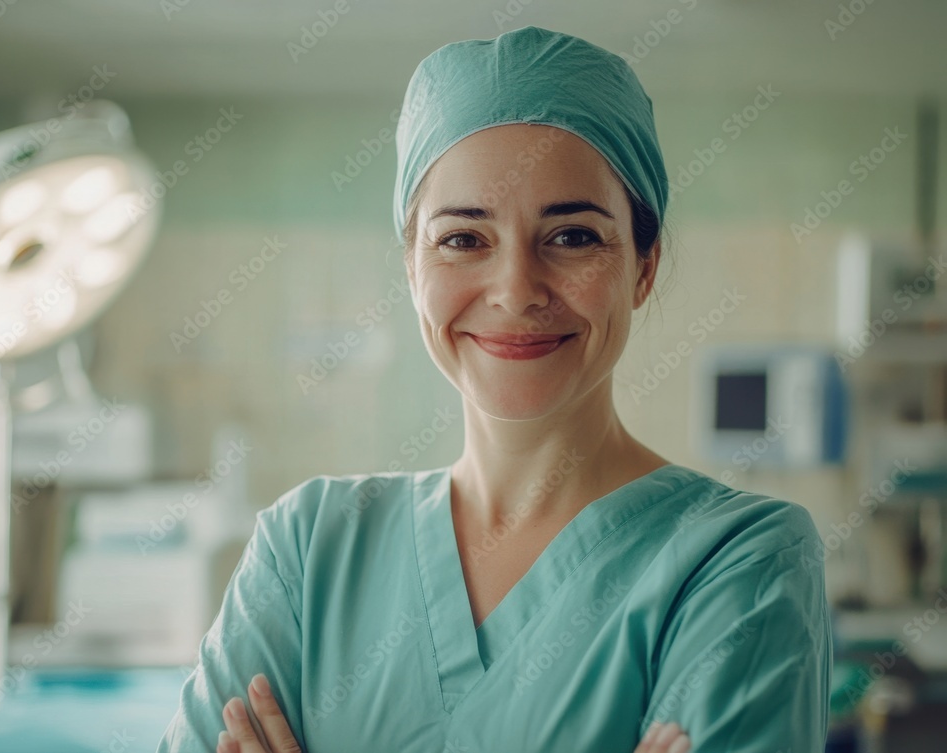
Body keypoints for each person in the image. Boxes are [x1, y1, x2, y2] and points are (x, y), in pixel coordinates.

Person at [157, 25, 832, 753]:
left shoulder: (741, 560)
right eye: (463, 239)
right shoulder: (307, 549)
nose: (515, 291)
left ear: (643, 264)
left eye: (572, 236)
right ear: (413, 267)